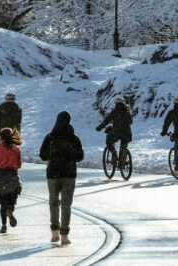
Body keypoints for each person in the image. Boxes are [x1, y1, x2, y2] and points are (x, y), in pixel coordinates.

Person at [39, 111, 84, 246]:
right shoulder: (74, 138)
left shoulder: (50, 137)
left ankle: (54, 232)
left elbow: (43, 155)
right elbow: (80, 157)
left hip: (53, 174)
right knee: (66, 205)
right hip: (69, 174)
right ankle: (64, 235)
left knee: (53, 203)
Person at [0, 127, 23, 234]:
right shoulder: (16, 149)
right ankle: (10, 211)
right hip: (13, 177)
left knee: (3, 202)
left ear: (1, 137)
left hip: (1, 178)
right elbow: (19, 165)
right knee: (12, 202)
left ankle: (3, 226)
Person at [95, 97, 133, 168]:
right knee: (123, 148)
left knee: (109, 141)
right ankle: (122, 162)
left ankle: (114, 154)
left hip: (116, 132)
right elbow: (131, 122)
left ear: (116, 104)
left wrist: (100, 127)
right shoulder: (127, 112)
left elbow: (106, 120)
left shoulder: (114, 112)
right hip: (127, 134)